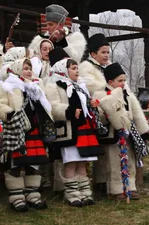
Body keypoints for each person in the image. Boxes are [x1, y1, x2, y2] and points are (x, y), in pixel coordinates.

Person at [0, 58, 52, 212]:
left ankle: (33, 195)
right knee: (16, 164)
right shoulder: (7, 86)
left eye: (30, 68)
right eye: (25, 68)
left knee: (33, 163)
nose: (28, 71)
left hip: (34, 131)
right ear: (17, 69)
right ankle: (17, 197)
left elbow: (44, 105)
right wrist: (10, 114)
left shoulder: (35, 87)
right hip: (16, 130)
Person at [45, 56, 104, 206]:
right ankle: (71, 193)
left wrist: (91, 104)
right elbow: (53, 106)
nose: (76, 71)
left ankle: (85, 192)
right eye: (73, 68)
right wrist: (69, 111)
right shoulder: (55, 85)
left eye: (77, 68)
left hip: (83, 128)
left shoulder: (79, 86)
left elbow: (84, 104)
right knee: (71, 162)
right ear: (63, 70)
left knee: (82, 162)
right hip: (69, 130)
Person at [93, 62, 149, 200]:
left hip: (128, 134)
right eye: (120, 81)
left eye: (124, 80)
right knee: (113, 163)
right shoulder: (101, 95)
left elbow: (136, 113)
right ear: (110, 81)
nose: (123, 83)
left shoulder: (128, 96)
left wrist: (143, 131)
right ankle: (116, 189)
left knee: (129, 161)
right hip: (112, 136)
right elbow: (100, 115)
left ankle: (130, 186)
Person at [78, 33, 110, 191]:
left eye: (107, 52)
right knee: (98, 146)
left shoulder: (107, 67)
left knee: (106, 146)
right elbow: (90, 86)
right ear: (93, 54)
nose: (106, 55)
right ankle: (97, 180)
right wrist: (109, 88)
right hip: (93, 111)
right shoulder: (85, 67)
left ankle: (104, 179)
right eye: (103, 52)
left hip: (107, 109)